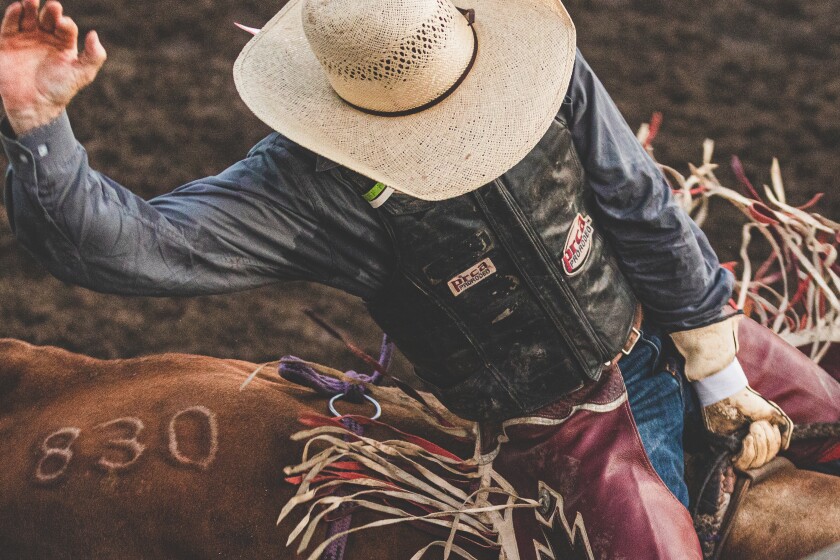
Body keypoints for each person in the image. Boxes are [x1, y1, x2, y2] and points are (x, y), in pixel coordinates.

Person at [0, 0, 812, 558]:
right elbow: (129, 244)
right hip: (565, 431)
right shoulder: (308, 187)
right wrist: (39, 126)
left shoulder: (538, 68)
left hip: (680, 329)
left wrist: (717, 365)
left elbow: (639, 204)